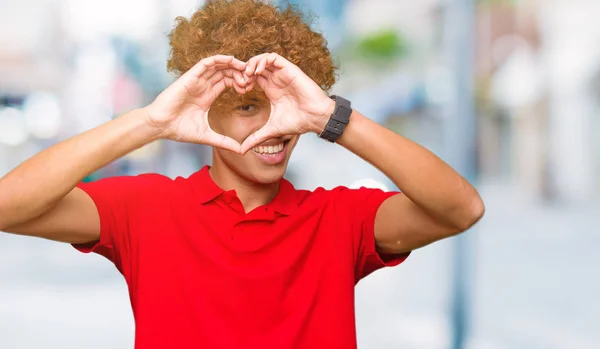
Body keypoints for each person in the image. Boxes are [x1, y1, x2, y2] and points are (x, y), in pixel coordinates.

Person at [0, 0, 484, 348]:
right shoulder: (145, 209)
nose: (276, 126)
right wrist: (150, 122)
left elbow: (463, 208)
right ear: (209, 110)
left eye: (285, 108)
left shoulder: (340, 219)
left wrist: (331, 118)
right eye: (249, 106)